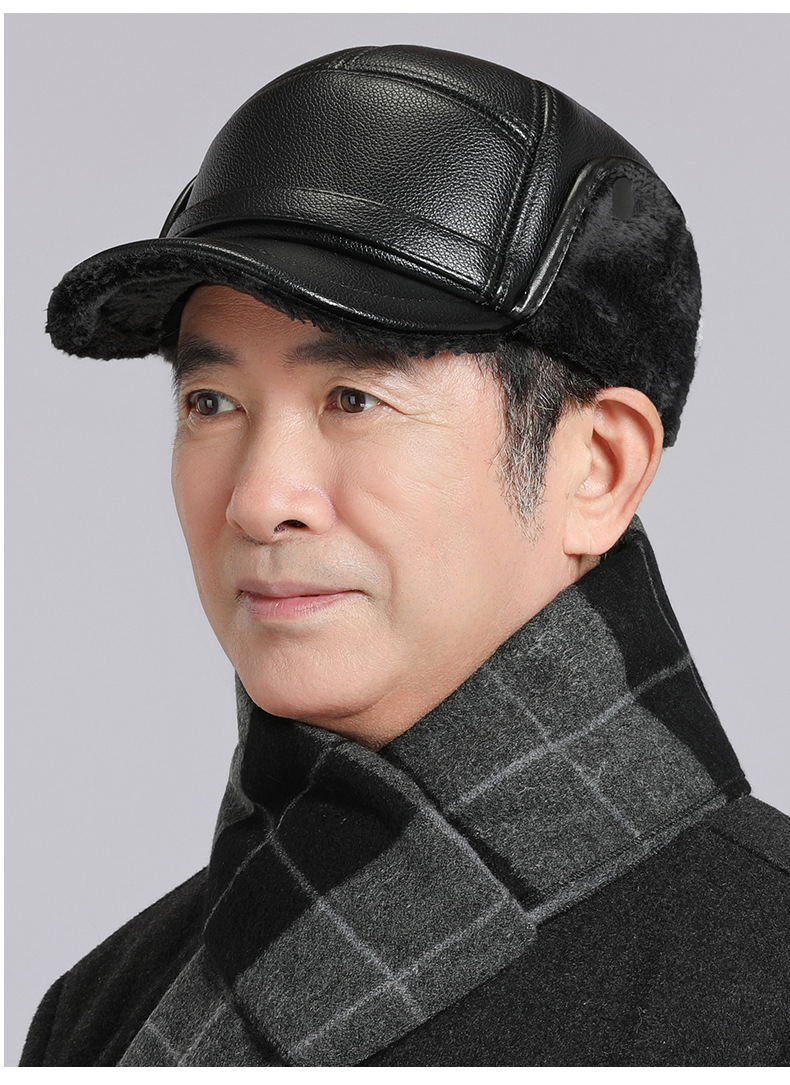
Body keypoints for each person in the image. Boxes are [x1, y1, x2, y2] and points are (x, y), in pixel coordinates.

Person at [21, 44, 789, 1067]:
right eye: (211, 401)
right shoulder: (100, 1009)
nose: (257, 499)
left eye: (353, 397)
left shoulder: (762, 978)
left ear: (598, 468)